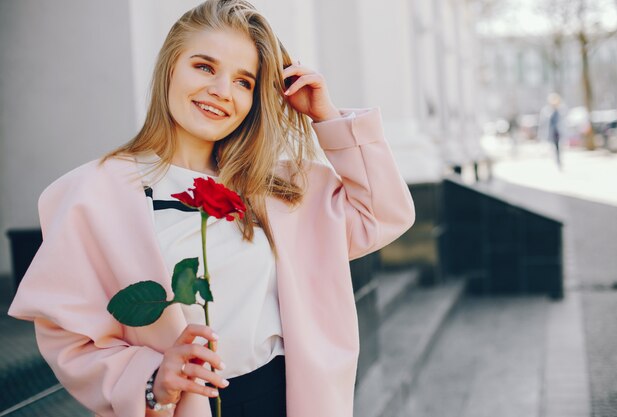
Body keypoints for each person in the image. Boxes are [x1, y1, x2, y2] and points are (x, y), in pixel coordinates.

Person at [8, 1, 415, 417]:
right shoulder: (94, 193)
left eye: (244, 81)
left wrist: (325, 117)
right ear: (170, 67)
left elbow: (382, 214)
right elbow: (69, 337)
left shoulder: (283, 188)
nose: (221, 91)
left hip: (288, 398)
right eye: (204, 66)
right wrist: (151, 380)